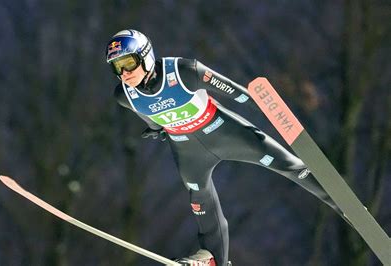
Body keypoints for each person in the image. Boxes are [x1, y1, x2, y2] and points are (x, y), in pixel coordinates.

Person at [105, 29, 347, 266]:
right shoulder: (124, 96)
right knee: (200, 200)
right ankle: (213, 259)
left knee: (287, 165)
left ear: (145, 56)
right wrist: (156, 130)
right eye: (117, 67)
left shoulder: (183, 71)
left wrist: (270, 110)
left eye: (128, 62)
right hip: (188, 151)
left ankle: (345, 204)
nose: (124, 73)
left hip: (225, 132)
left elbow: (235, 92)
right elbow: (150, 117)